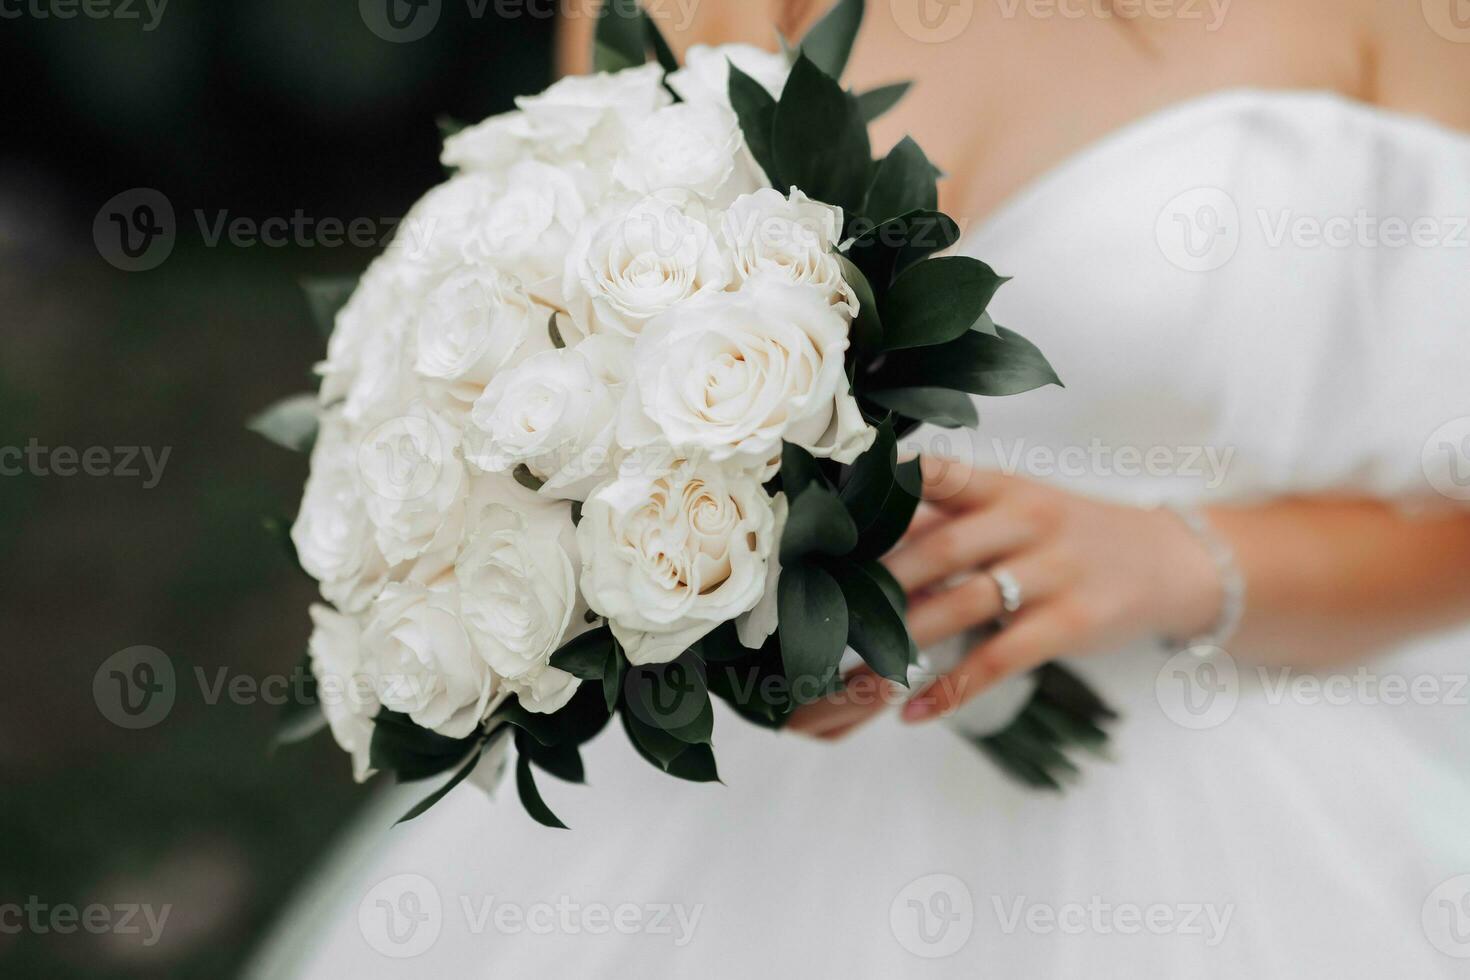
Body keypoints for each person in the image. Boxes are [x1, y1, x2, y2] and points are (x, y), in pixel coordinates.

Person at [253, 2, 1470, 975]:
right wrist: (720, 630)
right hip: (750, 809)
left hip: (1229, 759)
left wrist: (1175, 559)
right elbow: (564, 375)